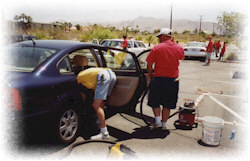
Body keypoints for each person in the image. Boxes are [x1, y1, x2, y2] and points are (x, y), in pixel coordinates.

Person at [146, 28, 184, 130]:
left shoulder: (157, 48)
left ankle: (157, 121)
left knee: (155, 102)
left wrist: (150, 75)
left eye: (159, 37)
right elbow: (181, 57)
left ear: (163, 36)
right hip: (172, 80)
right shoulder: (178, 47)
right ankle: (163, 125)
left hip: (158, 79)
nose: (159, 39)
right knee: (168, 104)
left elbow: (149, 64)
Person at [77, 67, 116, 140]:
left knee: (96, 105)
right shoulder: (86, 74)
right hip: (111, 74)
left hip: (103, 76)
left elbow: (83, 94)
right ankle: (100, 126)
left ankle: (104, 133)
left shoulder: (78, 79)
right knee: (101, 104)